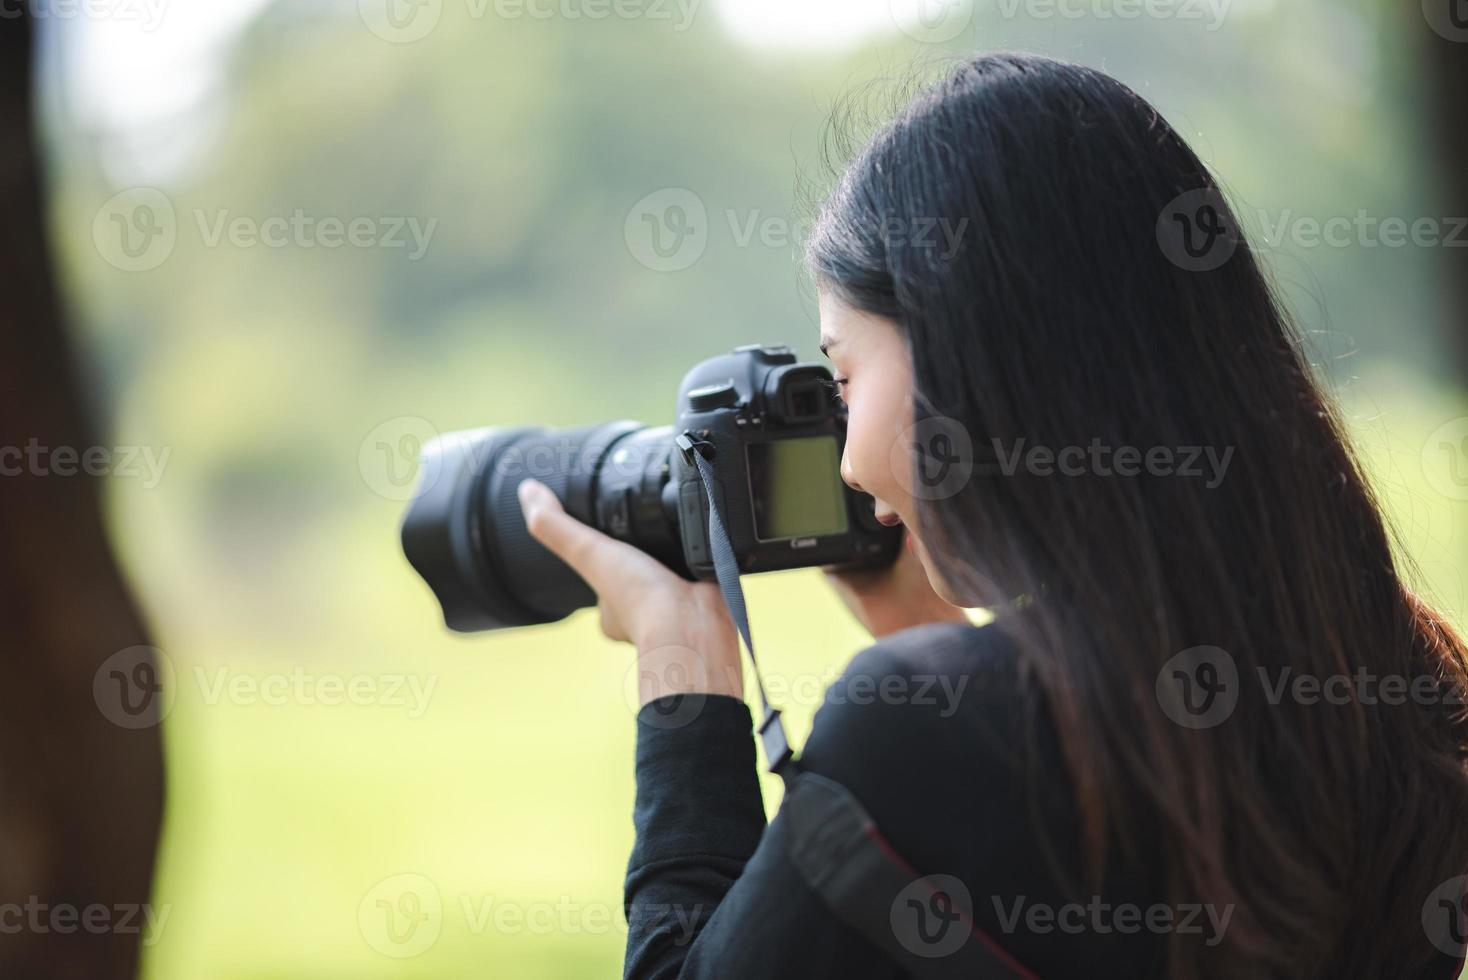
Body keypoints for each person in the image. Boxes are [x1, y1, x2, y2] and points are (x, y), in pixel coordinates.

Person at [516, 51, 1468, 979]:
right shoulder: (1401, 698)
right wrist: (929, 635)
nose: (847, 460)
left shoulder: (924, 740)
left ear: (967, 363)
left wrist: (685, 664)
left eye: (845, 378)